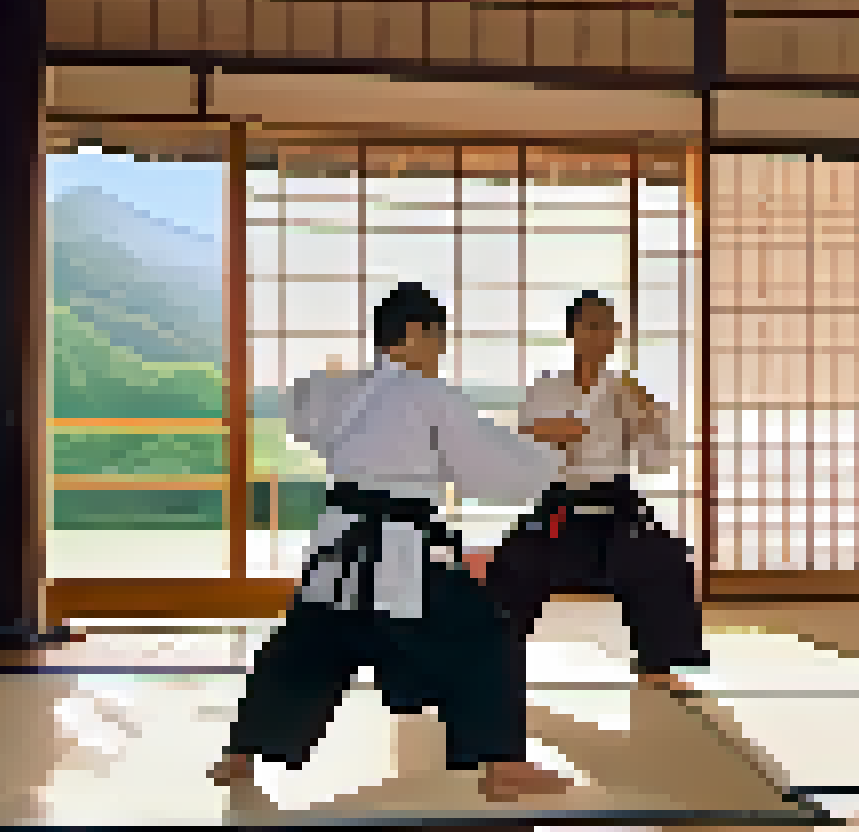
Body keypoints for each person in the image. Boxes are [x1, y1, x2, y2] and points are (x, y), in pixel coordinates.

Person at [208, 283, 588, 800]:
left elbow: (302, 406)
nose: (441, 351)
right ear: (412, 334)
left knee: (308, 646)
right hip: (400, 549)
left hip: (338, 548)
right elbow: (485, 466)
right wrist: (548, 452)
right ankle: (503, 764)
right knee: (483, 633)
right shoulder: (427, 394)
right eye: (437, 338)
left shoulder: (346, 393)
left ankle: (240, 753)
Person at [485, 291, 707, 690]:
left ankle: (660, 662)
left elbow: (655, 460)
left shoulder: (626, 390)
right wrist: (547, 434)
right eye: (590, 326)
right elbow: (521, 442)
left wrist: (649, 415)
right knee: (513, 564)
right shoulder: (547, 388)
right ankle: (491, 661)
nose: (600, 335)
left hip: (616, 501)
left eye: (607, 327)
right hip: (559, 501)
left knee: (667, 559)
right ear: (572, 332)